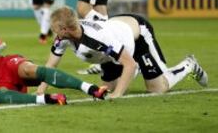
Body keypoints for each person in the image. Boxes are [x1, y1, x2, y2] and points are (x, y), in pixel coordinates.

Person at [37, 6, 208, 98]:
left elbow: (129, 63)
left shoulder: (98, 39)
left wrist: (118, 95)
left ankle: (189, 65)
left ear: (65, 29)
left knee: (157, 87)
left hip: (137, 34)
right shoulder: (63, 38)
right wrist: (40, 90)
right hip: (114, 38)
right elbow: (51, 64)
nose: (52, 32)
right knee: (107, 88)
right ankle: (133, 70)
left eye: (54, 29)